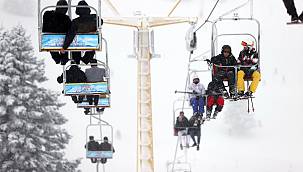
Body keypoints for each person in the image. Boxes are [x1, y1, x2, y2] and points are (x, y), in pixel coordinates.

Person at [42, 0, 71, 65]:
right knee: (65, 44)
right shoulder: (66, 19)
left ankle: (57, 59)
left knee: (51, 45)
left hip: (49, 38)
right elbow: (69, 30)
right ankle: (63, 59)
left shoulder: (47, 14)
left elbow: (45, 26)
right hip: (62, 40)